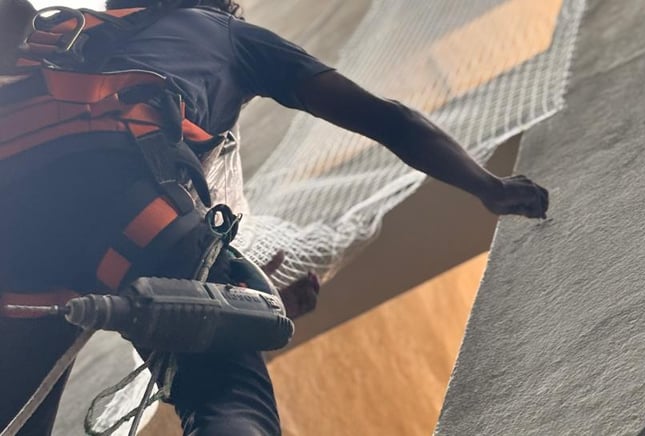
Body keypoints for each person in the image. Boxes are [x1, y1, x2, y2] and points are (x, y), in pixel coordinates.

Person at [0, 0, 549, 434]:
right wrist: (489, 186)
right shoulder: (227, 36)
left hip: (14, 225)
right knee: (226, 397)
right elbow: (390, 120)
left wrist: (245, 307)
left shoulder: (63, 36)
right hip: (129, 195)